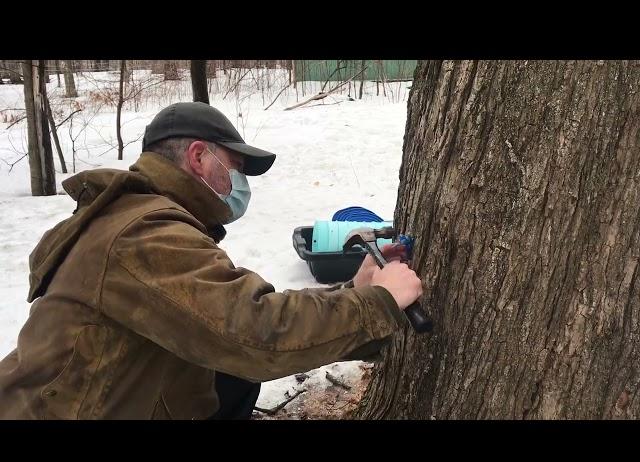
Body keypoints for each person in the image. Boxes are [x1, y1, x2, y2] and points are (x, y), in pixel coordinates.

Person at [0, 102, 423, 419]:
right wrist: (377, 303)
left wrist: (357, 292)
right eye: (234, 167)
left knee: (233, 377)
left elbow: (222, 314)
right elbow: (255, 329)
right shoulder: (144, 233)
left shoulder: (141, 216)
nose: (237, 183)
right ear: (199, 156)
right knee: (240, 364)